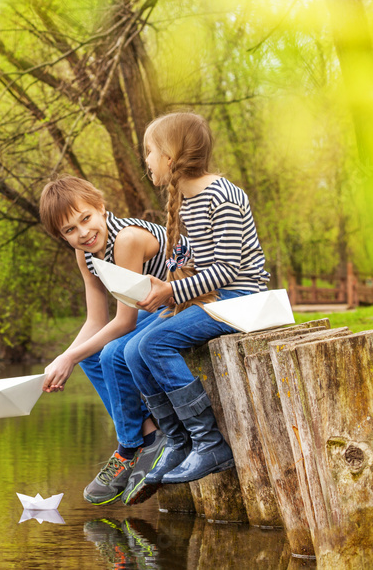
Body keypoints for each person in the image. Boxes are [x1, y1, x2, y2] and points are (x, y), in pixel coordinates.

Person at [121, 112, 269, 505]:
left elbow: (226, 270)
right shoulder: (188, 201)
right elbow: (198, 270)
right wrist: (169, 293)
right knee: (134, 349)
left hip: (243, 299)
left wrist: (170, 292)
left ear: (170, 155)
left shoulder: (223, 194)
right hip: (217, 299)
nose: (146, 161)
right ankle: (178, 439)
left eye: (149, 152)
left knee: (154, 345)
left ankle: (209, 443)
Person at [39, 177, 184, 505]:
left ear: (101, 208)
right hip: (153, 309)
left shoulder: (127, 240)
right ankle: (145, 435)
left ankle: (131, 446)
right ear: (62, 237)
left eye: (86, 218)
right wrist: (65, 358)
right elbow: (95, 320)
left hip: (185, 302)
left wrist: (70, 357)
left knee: (109, 354)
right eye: (69, 230)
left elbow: (124, 322)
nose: (83, 233)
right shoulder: (85, 255)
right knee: (90, 355)